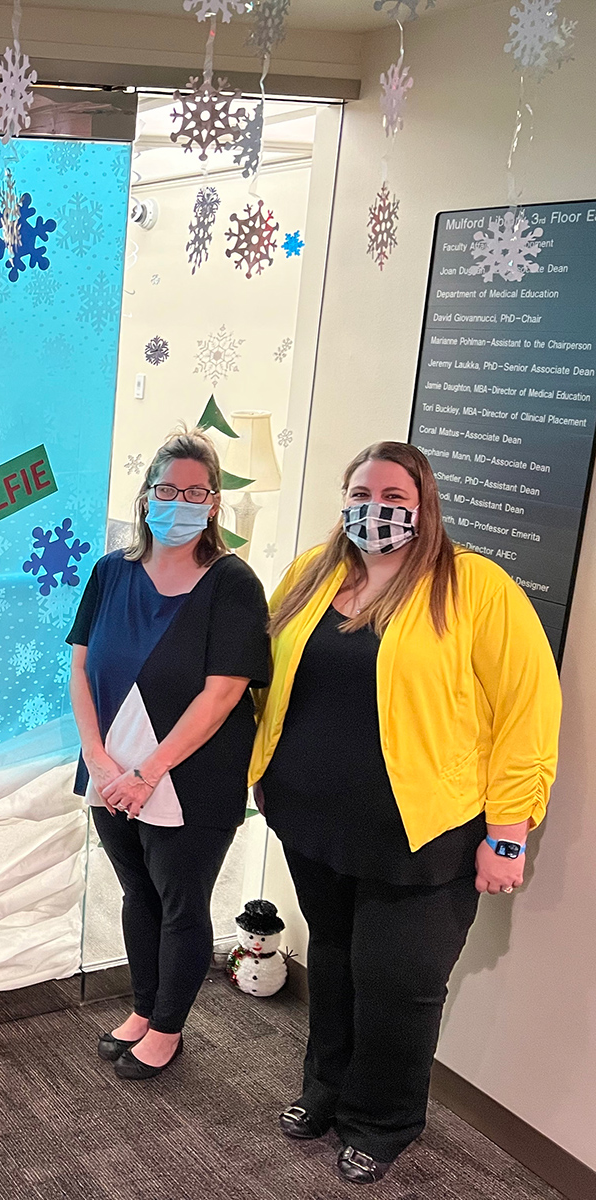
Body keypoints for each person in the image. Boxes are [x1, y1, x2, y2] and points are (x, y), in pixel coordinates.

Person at [252, 441, 559, 1185]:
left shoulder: (475, 588)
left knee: (399, 982)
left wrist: (509, 834)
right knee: (331, 957)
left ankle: (382, 1121)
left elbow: (528, 711)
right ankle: (325, 1090)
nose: (375, 509)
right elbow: (265, 672)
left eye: (394, 494)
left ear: (424, 504)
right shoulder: (312, 574)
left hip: (426, 833)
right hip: (314, 820)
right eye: (362, 491)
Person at [67, 430, 271, 1081]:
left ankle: (168, 1030)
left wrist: (149, 772)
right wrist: (99, 760)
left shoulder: (233, 583)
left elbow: (223, 693)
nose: (178, 502)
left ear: (213, 503)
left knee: (181, 903)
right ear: (146, 493)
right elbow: (79, 666)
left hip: (189, 778)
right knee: (138, 894)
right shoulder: (110, 572)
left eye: (194, 491)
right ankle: (145, 1007)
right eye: (166, 489)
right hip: (110, 773)